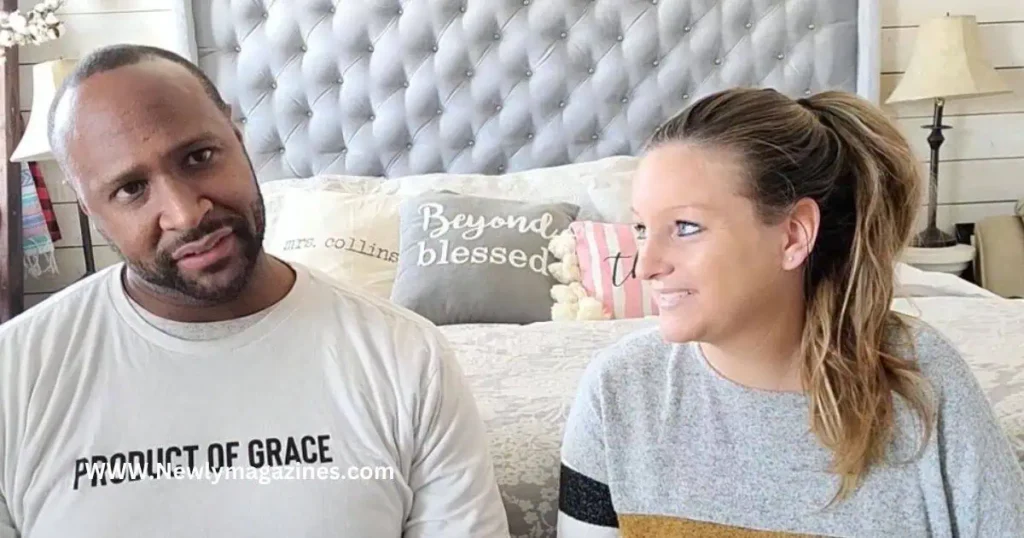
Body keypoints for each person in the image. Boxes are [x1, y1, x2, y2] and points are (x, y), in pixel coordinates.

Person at [0, 44, 509, 538]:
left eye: (199, 157)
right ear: (89, 207)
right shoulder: (16, 374)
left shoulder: (406, 356)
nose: (185, 213)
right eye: (131, 189)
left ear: (237, 138)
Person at [557, 87, 1024, 536]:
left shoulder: (923, 381)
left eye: (684, 226)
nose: (646, 264)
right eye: (641, 227)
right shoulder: (617, 392)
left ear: (794, 235)